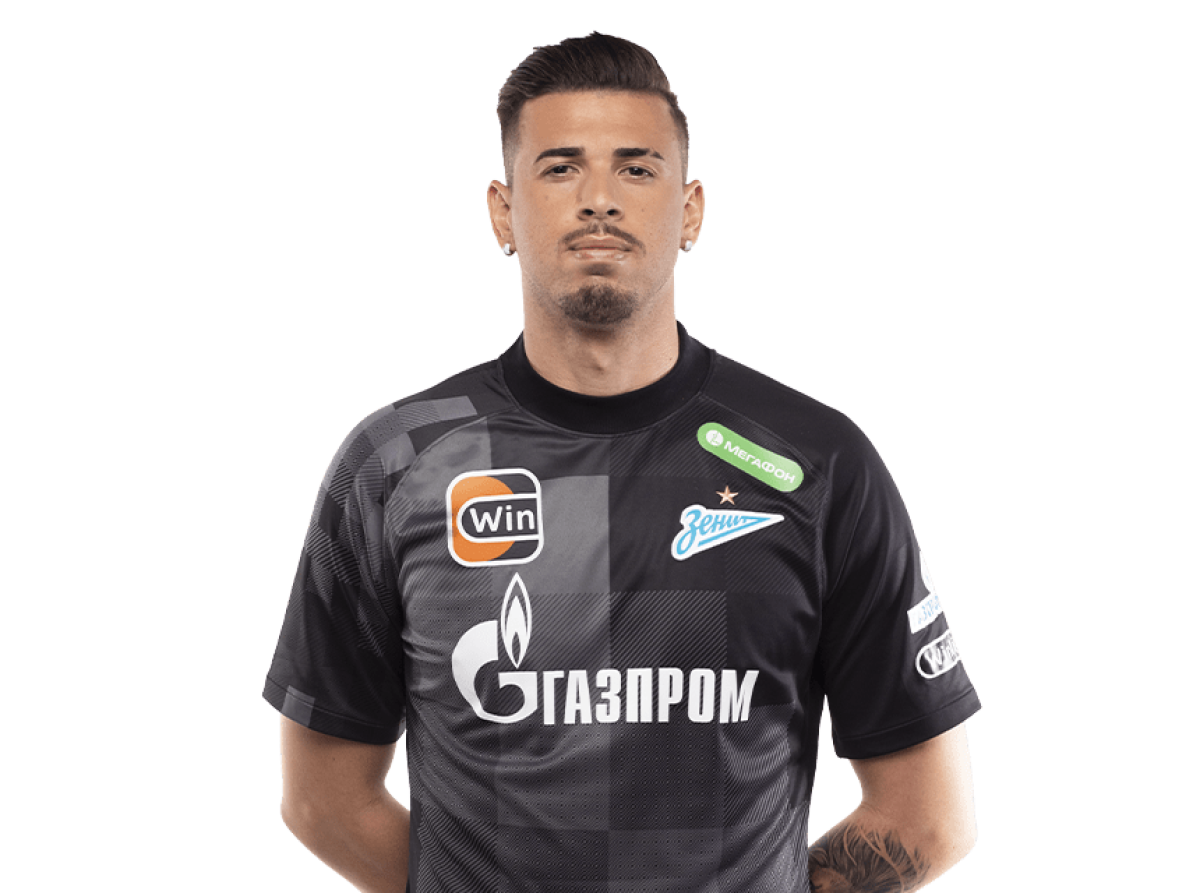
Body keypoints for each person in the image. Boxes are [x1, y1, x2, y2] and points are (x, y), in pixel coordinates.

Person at [263, 31, 981, 893]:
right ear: (502, 211)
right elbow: (324, 800)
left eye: (637, 169)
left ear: (691, 211)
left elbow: (928, 818)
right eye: (560, 167)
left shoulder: (820, 461)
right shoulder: (393, 463)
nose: (599, 199)